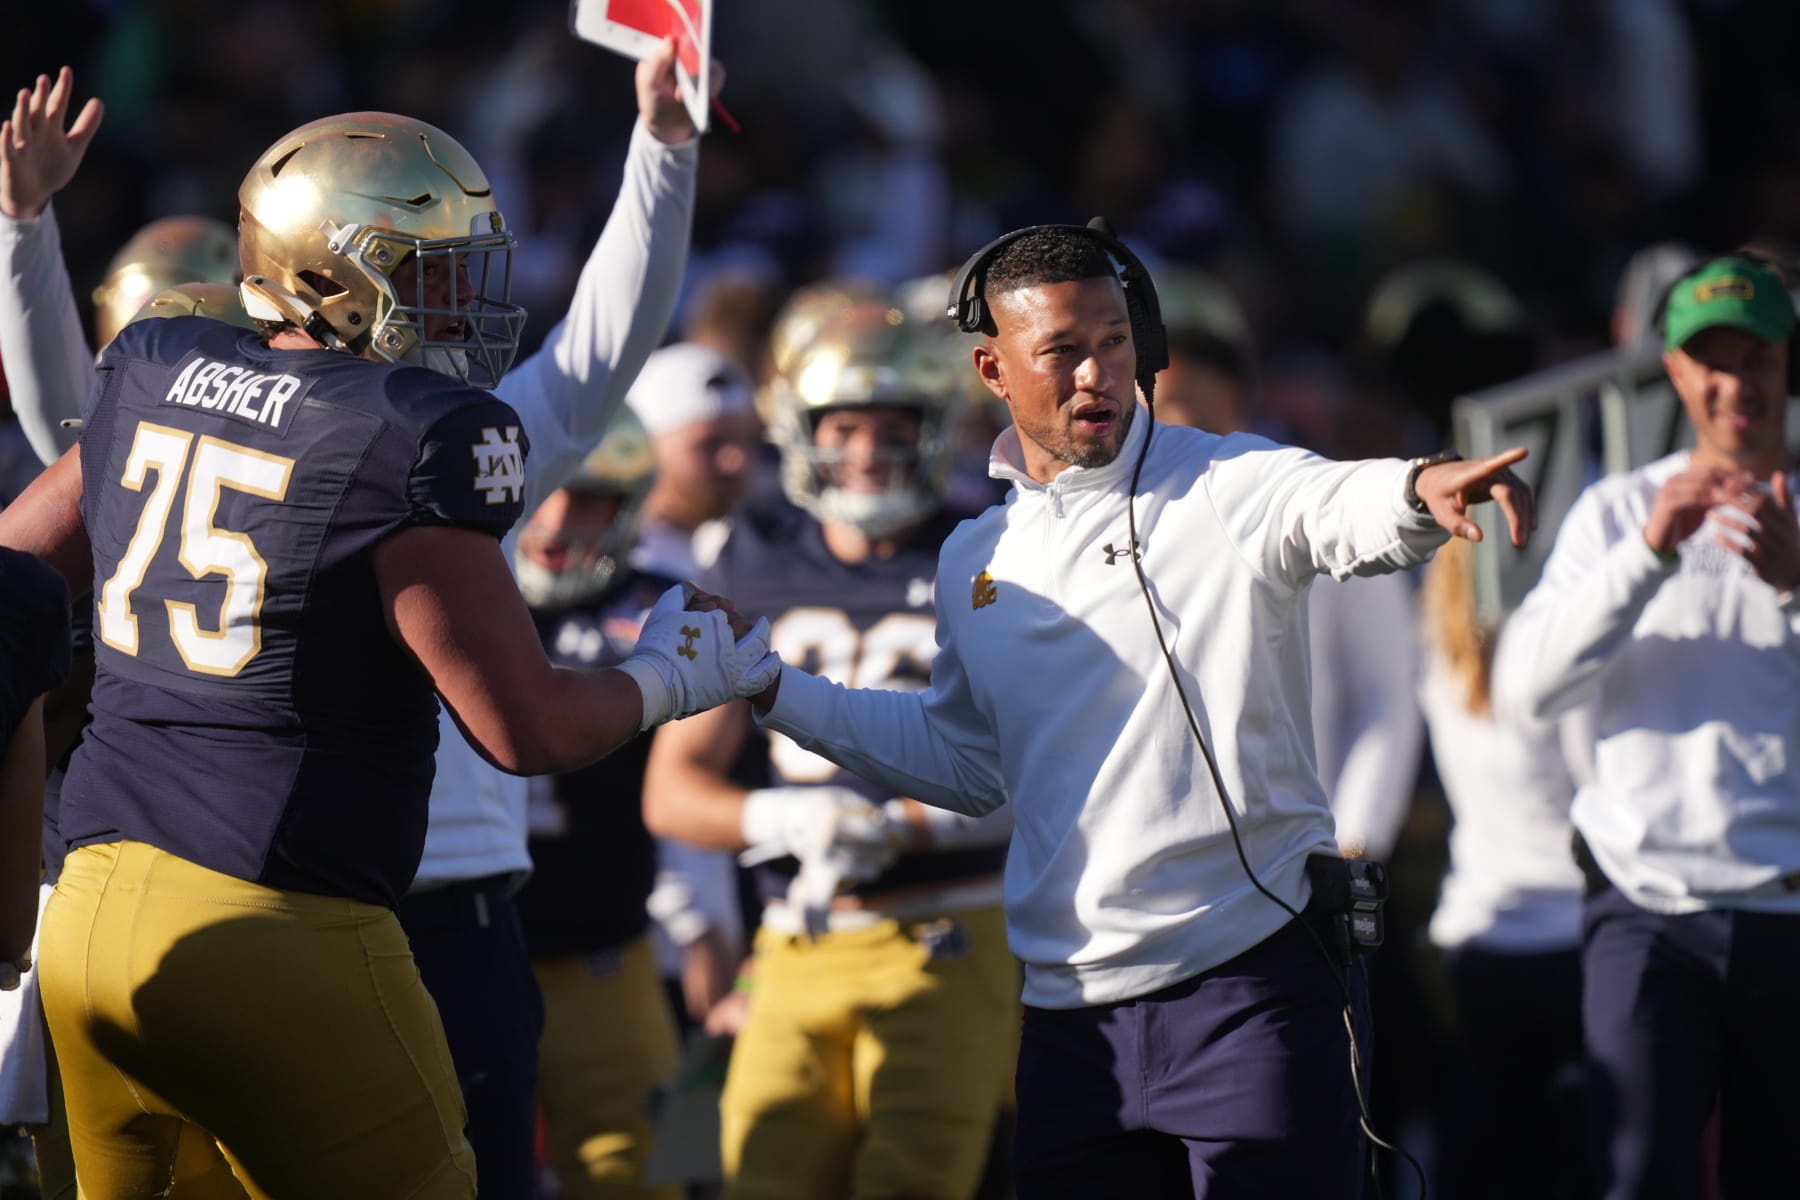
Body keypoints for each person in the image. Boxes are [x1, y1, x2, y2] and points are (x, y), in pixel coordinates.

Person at [0, 104, 775, 1199]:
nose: (462, 302)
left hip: (87, 914)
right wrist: (673, 675)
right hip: (281, 927)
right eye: (431, 273)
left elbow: (12, 583)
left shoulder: (156, 360)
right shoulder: (413, 430)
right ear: (329, 275)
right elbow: (526, 728)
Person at [746, 225, 1535, 1199]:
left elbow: (1334, 503)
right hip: (1069, 1024)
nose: (1097, 375)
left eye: (1115, 342)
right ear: (991, 370)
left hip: (1255, 993)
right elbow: (964, 762)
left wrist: (1418, 489)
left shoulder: (1227, 481)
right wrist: (776, 689)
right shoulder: (972, 558)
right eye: (1062, 351)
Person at [643, 301, 1017, 1200]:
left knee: (915, 1182)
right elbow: (673, 790)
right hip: (796, 934)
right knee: (758, 1178)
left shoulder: (993, 548)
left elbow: (1038, 766)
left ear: (938, 428)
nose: (867, 451)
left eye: (894, 426)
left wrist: (904, 825)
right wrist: (782, 816)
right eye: (843, 427)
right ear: (799, 431)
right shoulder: (750, 557)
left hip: (953, 925)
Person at [1493, 254, 1800, 1200]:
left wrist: (1796, 588)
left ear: (1788, 360)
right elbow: (1525, 692)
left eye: (1755, 358)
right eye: (1711, 362)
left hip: (1789, 913)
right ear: (1672, 371)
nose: (1734, 385)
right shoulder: (1619, 510)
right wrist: (1647, 555)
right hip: (1646, 908)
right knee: (1636, 1181)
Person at [512, 406, 685, 1200]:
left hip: (602, 954)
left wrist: (701, 924)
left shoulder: (656, 611)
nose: (554, 520)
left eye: (585, 498)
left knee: (638, 1173)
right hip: (447, 946)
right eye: (542, 490)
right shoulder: (448, 583)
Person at [1417, 538, 1587, 1200]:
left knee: (1488, 1157)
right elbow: (1596, 787)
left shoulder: (1437, 654)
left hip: (1478, 932)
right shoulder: (1553, 660)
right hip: (1568, 934)